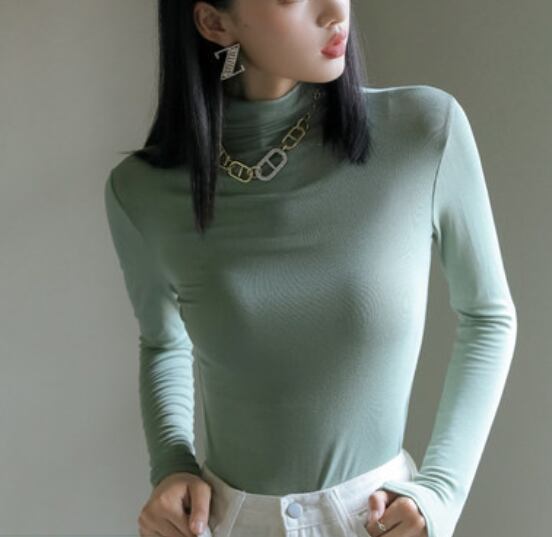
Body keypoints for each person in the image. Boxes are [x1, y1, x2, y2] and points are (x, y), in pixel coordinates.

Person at [103, 1, 518, 537]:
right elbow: (163, 342)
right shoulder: (140, 191)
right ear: (214, 23)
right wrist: (171, 465)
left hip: (379, 521)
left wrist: (441, 490)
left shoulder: (422, 130)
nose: (334, 11)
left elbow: (488, 316)